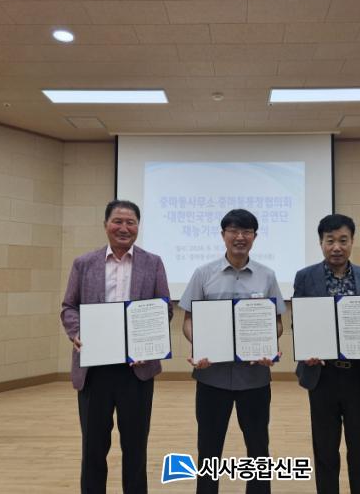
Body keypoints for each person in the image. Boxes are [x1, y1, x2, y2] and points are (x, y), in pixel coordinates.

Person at [61, 199, 172, 494]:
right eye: (118, 221)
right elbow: (69, 307)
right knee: (93, 447)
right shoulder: (84, 263)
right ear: (106, 225)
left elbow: (164, 309)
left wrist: (147, 344)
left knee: (135, 446)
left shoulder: (153, 262)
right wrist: (77, 332)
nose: (124, 228)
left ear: (138, 227)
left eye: (130, 222)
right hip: (94, 370)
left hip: (137, 371)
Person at [179, 209, 286, 494]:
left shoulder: (267, 276)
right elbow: (188, 320)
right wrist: (199, 344)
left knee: (258, 447)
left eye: (246, 231)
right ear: (223, 234)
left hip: (254, 378)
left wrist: (269, 344)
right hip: (211, 377)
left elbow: (277, 323)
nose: (240, 237)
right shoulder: (203, 274)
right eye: (234, 231)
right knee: (209, 447)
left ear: (254, 236)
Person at [294, 214, 360, 494]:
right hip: (322, 375)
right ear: (321, 243)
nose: (336, 247)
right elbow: (300, 320)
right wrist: (306, 348)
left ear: (352, 242)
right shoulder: (305, 277)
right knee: (325, 448)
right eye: (330, 240)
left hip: (359, 376)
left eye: (343, 240)